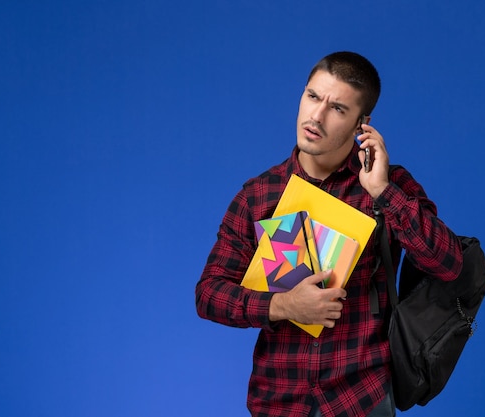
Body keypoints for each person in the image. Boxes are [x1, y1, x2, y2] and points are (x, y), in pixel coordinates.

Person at [195, 51, 463, 417]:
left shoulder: (387, 187)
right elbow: (209, 294)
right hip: (278, 400)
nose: (316, 117)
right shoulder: (259, 195)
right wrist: (282, 305)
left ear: (361, 125)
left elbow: (448, 264)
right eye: (312, 97)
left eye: (337, 108)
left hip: (361, 398)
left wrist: (384, 191)